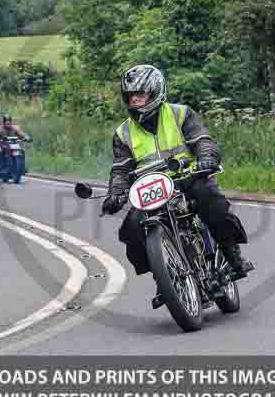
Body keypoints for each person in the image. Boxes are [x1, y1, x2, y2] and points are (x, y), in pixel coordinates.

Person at [101, 64, 254, 309]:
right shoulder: (123, 133)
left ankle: (231, 254)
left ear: (155, 92)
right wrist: (115, 193)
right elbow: (120, 168)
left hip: (190, 178)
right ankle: (164, 279)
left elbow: (202, 140)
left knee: (211, 202)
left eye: (140, 94)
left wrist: (207, 158)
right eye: (131, 96)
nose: (135, 100)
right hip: (153, 190)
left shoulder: (180, 114)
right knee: (131, 228)